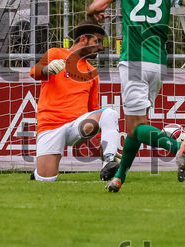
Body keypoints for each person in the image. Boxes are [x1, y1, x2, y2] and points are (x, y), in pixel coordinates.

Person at [86, 0, 185, 192]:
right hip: (158, 64)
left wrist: (93, 14)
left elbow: (96, 6)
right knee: (136, 127)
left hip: (133, 62)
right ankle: (119, 178)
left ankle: (177, 146)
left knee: (136, 127)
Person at [28, 22, 121, 181]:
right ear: (83, 39)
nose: (100, 47)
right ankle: (37, 174)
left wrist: (105, 143)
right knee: (46, 180)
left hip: (77, 126)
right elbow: (34, 72)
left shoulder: (92, 72)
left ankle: (109, 161)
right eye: (97, 41)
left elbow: (94, 108)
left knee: (110, 113)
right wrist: (47, 69)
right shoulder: (55, 53)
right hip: (50, 125)